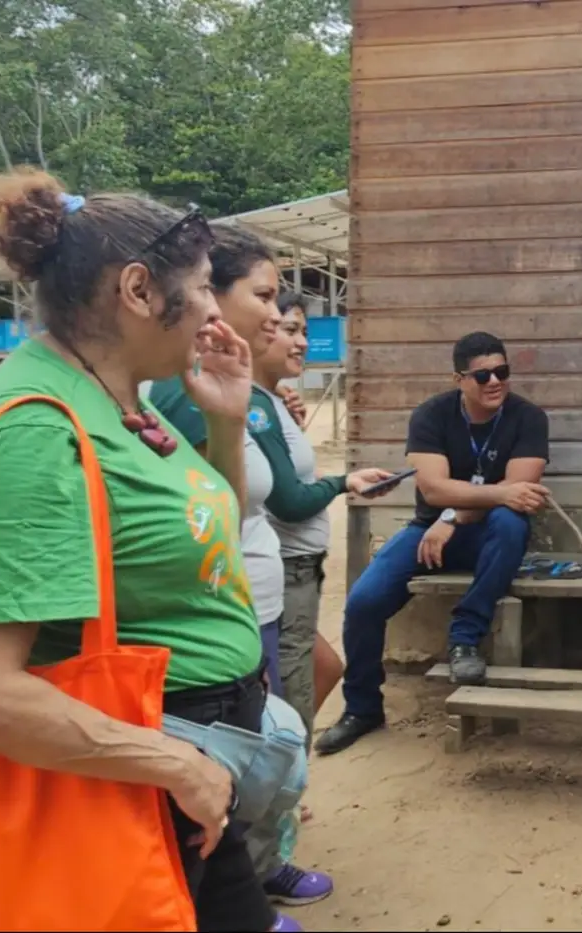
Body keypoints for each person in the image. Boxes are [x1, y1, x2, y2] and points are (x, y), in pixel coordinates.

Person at [0, 168, 287, 931]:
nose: (214, 309)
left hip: (182, 769)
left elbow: (205, 542)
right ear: (139, 289)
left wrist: (225, 423)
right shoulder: (35, 431)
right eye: (203, 286)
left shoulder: (122, 398)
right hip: (133, 773)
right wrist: (174, 763)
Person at [151, 225, 347, 913]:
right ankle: (257, 876)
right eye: (262, 298)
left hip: (246, 609)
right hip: (220, 622)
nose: (279, 317)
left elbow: (226, 507)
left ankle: (262, 867)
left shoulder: (233, 395)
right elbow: (223, 523)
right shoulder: (179, 395)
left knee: (263, 745)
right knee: (246, 757)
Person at [317, 332, 551, 755]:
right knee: (364, 602)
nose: (495, 381)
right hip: (428, 532)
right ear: (459, 379)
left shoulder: (528, 418)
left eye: (502, 371)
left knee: (510, 523)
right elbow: (435, 489)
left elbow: (520, 493)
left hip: (488, 536)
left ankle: (465, 637)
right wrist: (459, 509)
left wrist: (454, 515)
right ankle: (362, 708)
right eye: (483, 375)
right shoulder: (432, 415)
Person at [258, 291, 386, 751]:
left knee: (323, 669)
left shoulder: (273, 402)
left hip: (300, 570)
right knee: (289, 696)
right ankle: (281, 777)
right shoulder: (253, 407)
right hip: (285, 568)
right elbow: (289, 501)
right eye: (290, 330)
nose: (302, 343)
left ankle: (281, 769)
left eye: (305, 332)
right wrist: (343, 482)